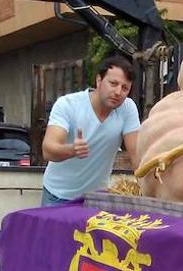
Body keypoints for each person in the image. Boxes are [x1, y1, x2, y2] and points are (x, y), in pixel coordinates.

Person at [41, 55, 140, 207]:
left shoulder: (127, 108)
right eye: (113, 83)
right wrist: (72, 150)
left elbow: (136, 155)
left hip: (96, 199)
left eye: (125, 88)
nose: (118, 92)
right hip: (58, 196)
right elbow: (48, 150)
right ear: (99, 80)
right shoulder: (68, 105)